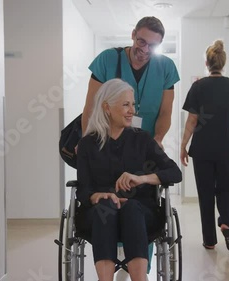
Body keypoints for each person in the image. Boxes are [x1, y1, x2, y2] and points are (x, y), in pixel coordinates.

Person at [76, 79, 182, 281]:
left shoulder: (142, 139)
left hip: (141, 212)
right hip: (99, 215)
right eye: (126, 104)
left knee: (131, 208)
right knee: (105, 206)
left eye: (133, 105)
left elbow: (174, 172)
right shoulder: (88, 144)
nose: (131, 110)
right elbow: (83, 190)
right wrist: (98, 195)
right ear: (107, 107)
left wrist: (141, 178)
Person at [180, 40, 229, 251]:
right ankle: (226, 222)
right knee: (225, 188)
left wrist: (183, 146)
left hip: (202, 149)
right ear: (222, 63)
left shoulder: (198, 87)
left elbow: (191, 121)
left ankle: (209, 240)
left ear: (207, 64)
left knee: (205, 192)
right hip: (226, 147)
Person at [80, 16, 180, 150]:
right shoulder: (107, 59)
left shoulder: (166, 67)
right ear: (133, 35)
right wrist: (86, 141)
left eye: (152, 46)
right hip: (106, 143)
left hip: (144, 145)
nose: (145, 50)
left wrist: (158, 139)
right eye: (141, 41)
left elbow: (165, 112)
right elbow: (91, 106)